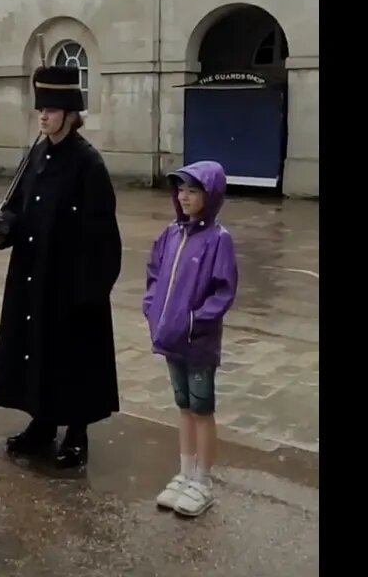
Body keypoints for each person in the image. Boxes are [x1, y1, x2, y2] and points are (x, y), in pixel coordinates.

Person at [0, 64, 122, 469]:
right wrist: (2, 226)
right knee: (37, 351)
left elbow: (104, 237)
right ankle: (42, 423)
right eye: (40, 108)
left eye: (50, 108)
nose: (42, 115)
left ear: (70, 113)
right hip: (34, 273)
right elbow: (18, 207)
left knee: (73, 358)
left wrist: (89, 292)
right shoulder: (37, 153)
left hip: (71, 282)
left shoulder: (88, 164)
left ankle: (76, 434)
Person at [142, 161, 238, 517]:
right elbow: (154, 273)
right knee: (183, 407)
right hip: (171, 339)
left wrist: (197, 320)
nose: (183, 197)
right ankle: (185, 472)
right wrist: (152, 308)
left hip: (198, 342)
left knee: (202, 409)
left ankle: (203, 479)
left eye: (192, 191)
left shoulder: (218, 241)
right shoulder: (170, 234)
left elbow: (223, 291)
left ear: (209, 196)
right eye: (180, 190)